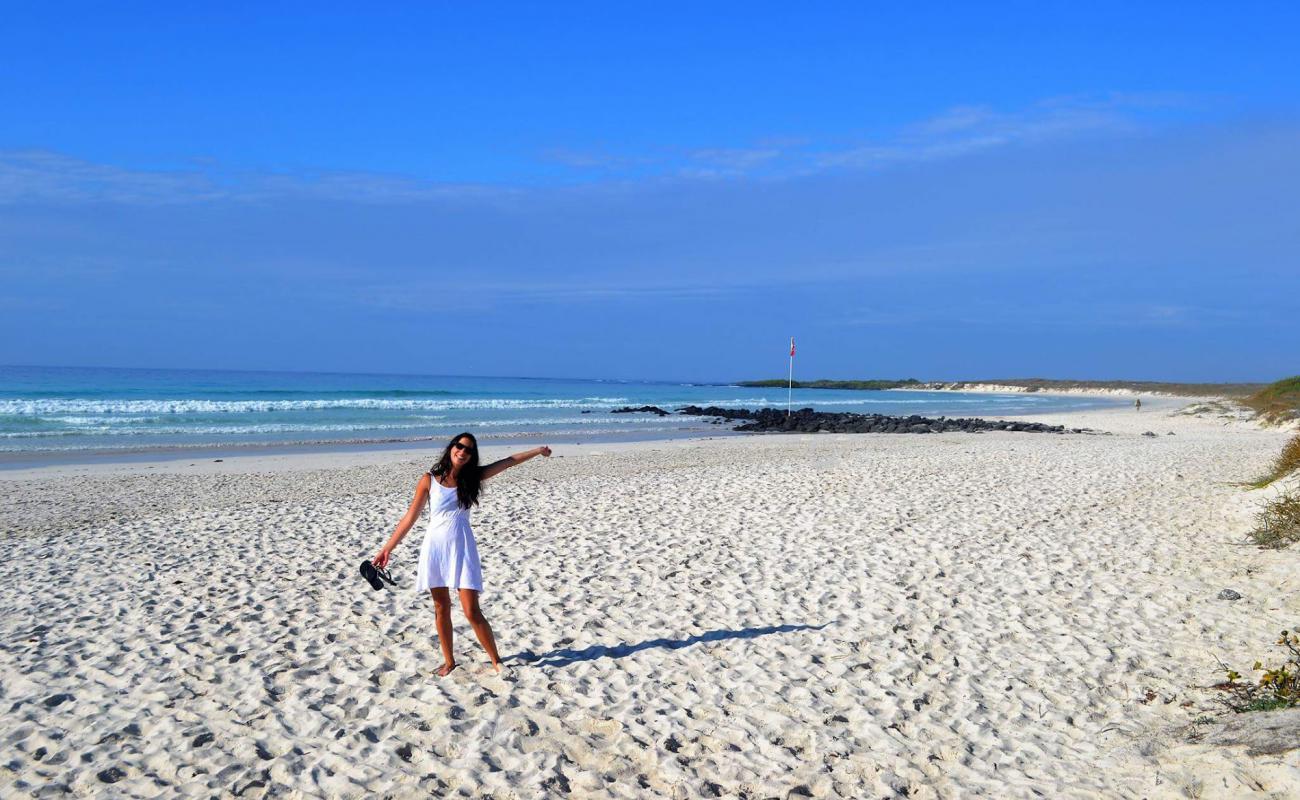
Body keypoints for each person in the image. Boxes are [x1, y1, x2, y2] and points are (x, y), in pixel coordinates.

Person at [371, 433, 551, 677]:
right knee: (441, 607)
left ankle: (496, 661)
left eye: (468, 449)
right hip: (435, 548)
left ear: (471, 455)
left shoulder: (472, 478)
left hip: (462, 548)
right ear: (452, 448)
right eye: (459, 446)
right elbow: (410, 517)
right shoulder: (428, 480)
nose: (463, 451)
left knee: (470, 610)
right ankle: (449, 662)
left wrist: (538, 450)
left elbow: (509, 461)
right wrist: (387, 549)